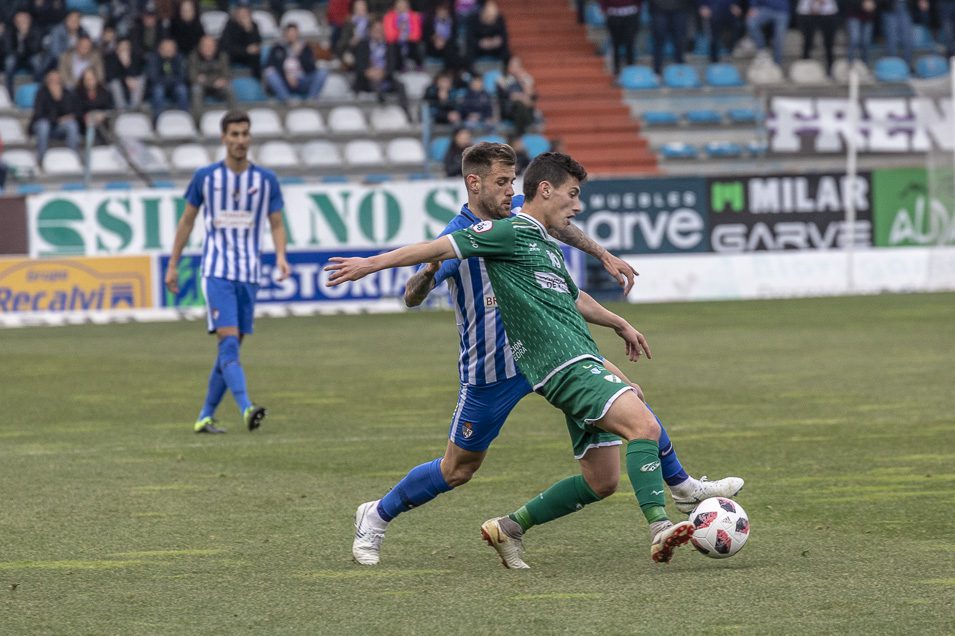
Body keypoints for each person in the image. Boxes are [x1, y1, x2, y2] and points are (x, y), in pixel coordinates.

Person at [327, 144, 743, 568]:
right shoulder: (466, 233)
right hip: (493, 369)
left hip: (550, 352)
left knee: (626, 409)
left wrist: (608, 283)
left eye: (513, 181)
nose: (512, 191)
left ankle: (680, 486)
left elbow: (561, 268)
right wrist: (409, 270)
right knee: (458, 469)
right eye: (502, 183)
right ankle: (376, 514)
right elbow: (414, 293)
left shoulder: (526, 228)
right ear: (475, 183)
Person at [165, 110, 291, 435]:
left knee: (229, 349)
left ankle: (205, 416)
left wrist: (281, 256)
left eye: (244, 134)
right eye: (234, 134)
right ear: (223, 138)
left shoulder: (266, 180)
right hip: (217, 271)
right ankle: (246, 407)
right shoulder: (205, 177)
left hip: (249, 274)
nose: (240, 140)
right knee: (230, 344)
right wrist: (172, 264)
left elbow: (276, 223)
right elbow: (187, 221)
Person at [263, 23, 329, 104]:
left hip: (302, 80)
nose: (292, 36)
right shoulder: (277, 48)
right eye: (290, 33)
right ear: (285, 34)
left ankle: (311, 100)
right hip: (285, 82)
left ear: (298, 34)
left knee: (322, 72)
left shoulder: (305, 48)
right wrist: (286, 75)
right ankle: (287, 100)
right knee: (270, 73)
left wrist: (300, 54)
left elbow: (311, 68)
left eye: (294, 33)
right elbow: (269, 65)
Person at [29, 69, 81, 164]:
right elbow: (39, 114)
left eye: (57, 80)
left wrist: (59, 99)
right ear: (47, 81)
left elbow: (72, 112)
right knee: (43, 125)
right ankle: (41, 159)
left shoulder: (66, 93)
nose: (54, 83)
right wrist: (56, 120)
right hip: (42, 125)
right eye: (51, 80)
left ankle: (73, 157)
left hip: (59, 127)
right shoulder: (41, 93)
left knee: (72, 125)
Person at [189, 34, 235, 118]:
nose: (208, 48)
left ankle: (233, 118)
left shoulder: (222, 56)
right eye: (205, 46)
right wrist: (212, 81)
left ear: (215, 46)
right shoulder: (194, 57)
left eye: (210, 46)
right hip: (202, 87)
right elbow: (192, 77)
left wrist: (223, 80)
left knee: (229, 89)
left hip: (218, 87)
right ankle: (198, 121)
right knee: (196, 90)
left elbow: (227, 74)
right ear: (200, 47)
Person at [147, 38, 189, 120]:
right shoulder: (153, 58)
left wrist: (168, 80)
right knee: (158, 91)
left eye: (171, 49)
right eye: (166, 49)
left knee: (182, 90)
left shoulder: (179, 58)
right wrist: (170, 80)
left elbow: (182, 76)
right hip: (159, 86)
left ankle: (185, 118)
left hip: (175, 86)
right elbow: (153, 78)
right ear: (160, 50)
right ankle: (159, 120)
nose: (168, 51)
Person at [796, 0, 840, 77]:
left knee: (829, 44)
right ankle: (804, 70)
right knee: (807, 42)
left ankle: (831, 70)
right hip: (806, 12)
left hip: (828, 12)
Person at [219, 4, 263, 78]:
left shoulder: (253, 26)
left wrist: (249, 30)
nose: (243, 16)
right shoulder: (230, 26)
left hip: (249, 57)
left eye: (245, 14)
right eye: (241, 14)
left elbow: (256, 43)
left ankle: (257, 78)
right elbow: (227, 46)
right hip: (234, 55)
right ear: (236, 15)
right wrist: (245, 50)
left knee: (258, 53)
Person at [600, 0, 641, 76]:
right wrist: (604, 9)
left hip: (631, 14)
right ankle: (616, 71)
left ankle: (631, 70)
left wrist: (637, 8)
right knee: (616, 45)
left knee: (630, 44)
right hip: (613, 15)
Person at [105, 37, 145, 110]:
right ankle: (121, 109)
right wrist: (124, 78)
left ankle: (134, 108)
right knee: (115, 84)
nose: (125, 49)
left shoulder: (135, 56)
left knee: (140, 80)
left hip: (131, 85)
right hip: (117, 85)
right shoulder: (110, 58)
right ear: (117, 49)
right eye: (122, 47)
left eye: (127, 47)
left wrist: (127, 65)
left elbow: (137, 73)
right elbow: (110, 76)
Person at [746, 0, 790, 66]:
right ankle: (762, 50)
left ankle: (777, 64)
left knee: (779, 39)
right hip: (765, 8)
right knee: (751, 23)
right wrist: (753, 6)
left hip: (782, 11)